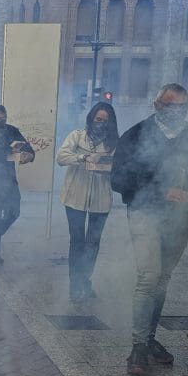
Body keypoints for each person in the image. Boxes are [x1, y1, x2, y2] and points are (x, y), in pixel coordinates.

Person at [111, 83, 188, 376]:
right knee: (149, 277)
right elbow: (118, 179)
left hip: (178, 217)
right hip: (145, 212)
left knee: (162, 280)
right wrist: (161, 191)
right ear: (158, 105)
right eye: (171, 106)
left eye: (183, 107)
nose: (177, 112)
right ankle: (138, 347)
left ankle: (149, 338)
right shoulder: (136, 135)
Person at [57, 102, 119, 303]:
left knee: (93, 244)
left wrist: (107, 167)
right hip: (74, 197)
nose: (101, 123)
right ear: (91, 118)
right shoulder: (77, 136)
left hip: (101, 200)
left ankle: (85, 280)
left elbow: (121, 167)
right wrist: (84, 157)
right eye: (98, 119)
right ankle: (75, 286)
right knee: (77, 242)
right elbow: (61, 157)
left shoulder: (114, 143)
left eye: (106, 120)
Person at [0, 104, 34, 267]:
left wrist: (29, 155)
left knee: (14, 211)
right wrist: (6, 151)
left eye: (4, 118)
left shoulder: (12, 130)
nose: (2, 120)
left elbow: (27, 147)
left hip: (9, 180)